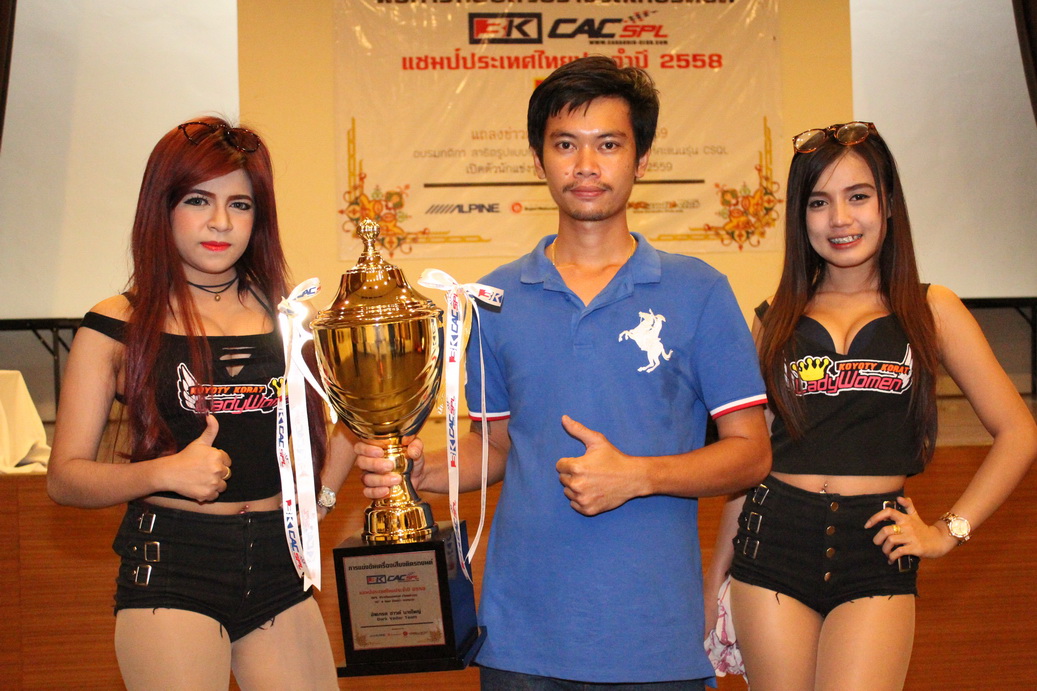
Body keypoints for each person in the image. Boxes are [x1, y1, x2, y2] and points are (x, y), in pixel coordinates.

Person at [355, 56, 771, 688]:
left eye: (609, 144)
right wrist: (419, 470)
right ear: (539, 158)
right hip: (520, 643)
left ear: (641, 158)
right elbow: (495, 449)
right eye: (565, 144)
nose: (586, 165)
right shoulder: (492, 299)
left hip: (653, 642)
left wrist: (638, 476)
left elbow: (751, 454)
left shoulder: (699, 292)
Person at [705, 121, 1037, 691]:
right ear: (800, 217)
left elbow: (1019, 432)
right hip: (772, 542)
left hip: (877, 551)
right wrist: (715, 579)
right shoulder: (772, 319)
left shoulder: (933, 310)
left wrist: (947, 532)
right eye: (818, 202)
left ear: (888, 204)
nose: (839, 219)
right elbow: (748, 456)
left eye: (857, 196)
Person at [47, 116, 353, 690]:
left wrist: (321, 500)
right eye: (197, 200)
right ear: (161, 208)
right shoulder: (116, 324)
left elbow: (354, 420)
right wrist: (163, 472)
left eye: (240, 204)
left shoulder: (293, 317)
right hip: (173, 564)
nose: (220, 222)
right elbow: (64, 478)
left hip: (280, 566)